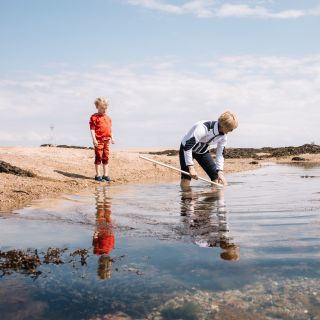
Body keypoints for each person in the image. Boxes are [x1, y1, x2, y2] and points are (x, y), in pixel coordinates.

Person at [180, 111, 238, 188]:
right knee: (186, 177)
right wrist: (191, 167)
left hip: (202, 151)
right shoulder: (203, 128)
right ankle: (186, 197)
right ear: (223, 125)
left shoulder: (224, 136)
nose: (231, 131)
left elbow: (220, 154)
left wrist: (220, 171)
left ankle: (213, 197)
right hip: (187, 149)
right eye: (230, 129)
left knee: (216, 177)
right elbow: (188, 147)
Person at [89, 97, 115, 182]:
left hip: (107, 140)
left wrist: (112, 137)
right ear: (97, 107)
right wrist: (94, 139)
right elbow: (92, 129)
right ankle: (98, 175)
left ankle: (105, 174)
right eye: (102, 108)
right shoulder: (94, 117)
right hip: (99, 140)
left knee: (106, 157)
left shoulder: (108, 118)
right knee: (98, 156)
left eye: (105, 108)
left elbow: (109, 129)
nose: (104, 110)